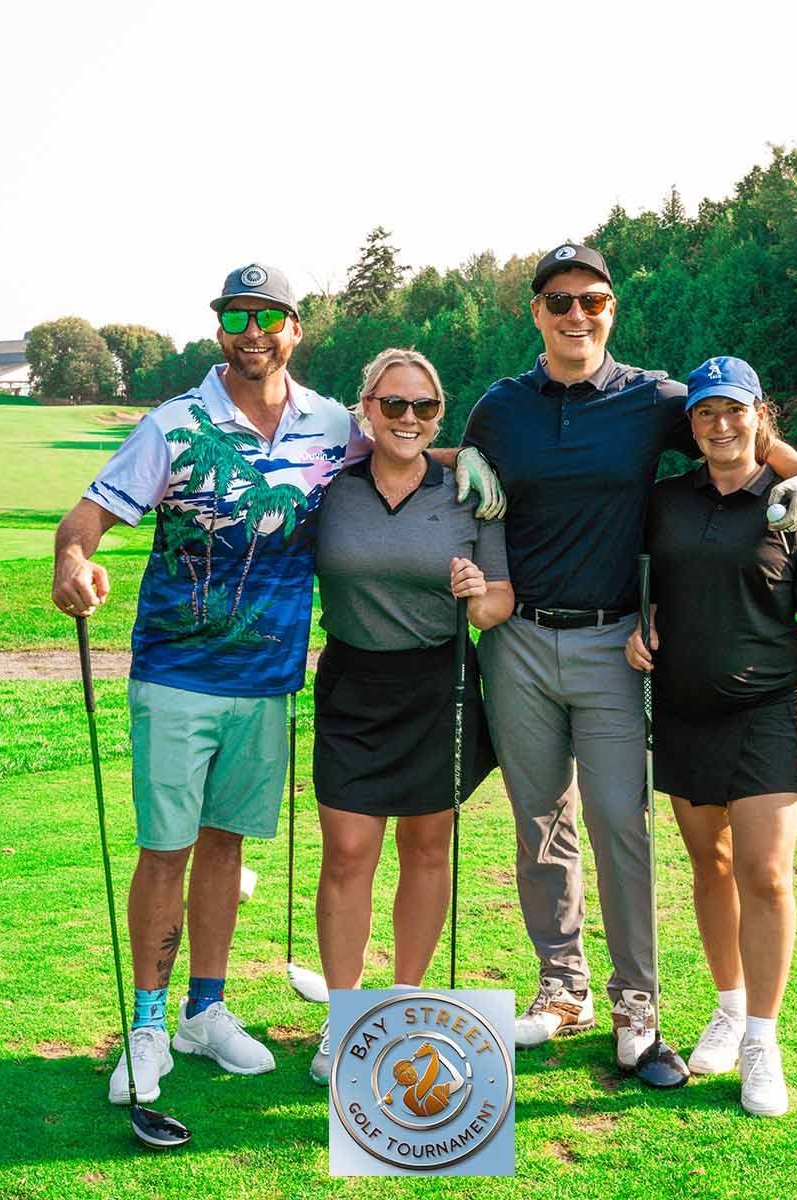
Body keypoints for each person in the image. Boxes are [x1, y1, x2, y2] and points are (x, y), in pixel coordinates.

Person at [50, 265, 499, 1107]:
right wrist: (73, 562)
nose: (252, 332)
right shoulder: (176, 423)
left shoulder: (331, 423)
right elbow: (89, 515)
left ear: (296, 328)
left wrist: (460, 455)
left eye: (269, 318)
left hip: (269, 683)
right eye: (235, 317)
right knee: (166, 847)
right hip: (177, 673)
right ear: (221, 328)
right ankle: (147, 1026)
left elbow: (400, 442)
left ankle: (205, 1012)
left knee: (226, 844)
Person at [456, 242, 797, 1075]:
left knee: (620, 823)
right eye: (559, 302)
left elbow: (732, 424)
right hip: (516, 644)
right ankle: (563, 985)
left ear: (611, 310)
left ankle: (637, 1000)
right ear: (537, 312)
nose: (576, 316)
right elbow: (437, 455)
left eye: (591, 301)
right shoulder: (500, 406)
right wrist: (461, 456)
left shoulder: (651, 398)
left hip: (613, 641)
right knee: (539, 822)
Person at [625, 355, 797, 1117]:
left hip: (765, 711)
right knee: (710, 866)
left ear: (760, 416)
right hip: (682, 709)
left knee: (767, 875)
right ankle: (725, 1008)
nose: (721, 426)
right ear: (691, 425)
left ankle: (761, 1038)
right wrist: (639, 626)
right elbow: (646, 584)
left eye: (735, 411)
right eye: (706, 413)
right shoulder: (667, 500)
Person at [304, 348, 512, 1085]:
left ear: (438, 416)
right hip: (354, 683)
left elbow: (498, 606)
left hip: (438, 682)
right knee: (349, 851)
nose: (408, 419)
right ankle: (344, 1014)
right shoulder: (331, 487)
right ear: (367, 409)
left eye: (423, 408)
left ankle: (403, 1001)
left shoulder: (467, 492)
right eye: (393, 404)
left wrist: (475, 589)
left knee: (427, 848)